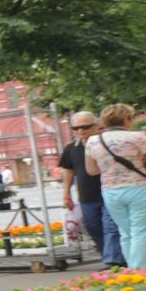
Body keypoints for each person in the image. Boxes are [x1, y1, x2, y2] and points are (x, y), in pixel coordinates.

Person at [85, 102, 146, 270]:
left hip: (110, 191)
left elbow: (92, 170)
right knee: (141, 231)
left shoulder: (93, 141)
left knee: (126, 232)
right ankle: (138, 272)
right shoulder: (137, 137)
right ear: (126, 119)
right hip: (140, 189)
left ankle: (131, 270)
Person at [59, 113, 123, 268]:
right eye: (76, 128)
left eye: (85, 126)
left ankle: (114, 261)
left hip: (110, 191)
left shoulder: (107, 143)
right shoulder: (71, 149)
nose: (80, 130)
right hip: (86, 196)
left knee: (111, 227)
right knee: (93, 226)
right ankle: (110, 256)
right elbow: (68, 171)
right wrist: (66, 193)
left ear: (97, 125)